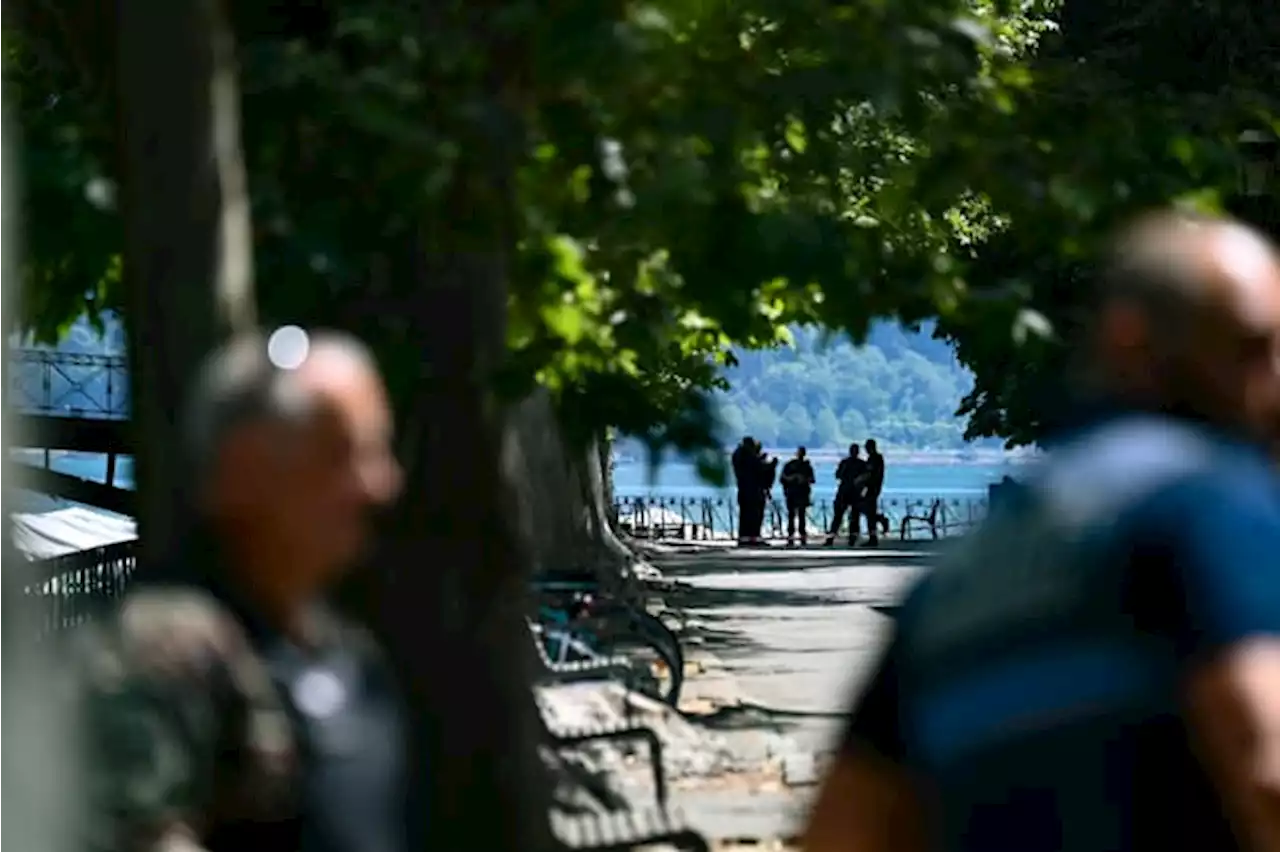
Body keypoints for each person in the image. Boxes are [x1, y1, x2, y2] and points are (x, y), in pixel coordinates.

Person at [804, 211, 1280, 852]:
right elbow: (1266, 766)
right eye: (1250, 347)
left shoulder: (958, 579)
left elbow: (844, 831)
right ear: (1130, 339)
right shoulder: (1200, 502)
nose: (1274, 382)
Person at [76, 329, 406, 852]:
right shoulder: (165, 653)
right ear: (240, 470)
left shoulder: (354, 656)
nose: (380, 484)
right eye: (340, 453)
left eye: (376, 451)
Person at [824, 443, 866, 546]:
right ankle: (846, 537)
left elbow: (838, 475)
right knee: (846, 516)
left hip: (848, 491)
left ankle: (840, 537)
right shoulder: (858, 464)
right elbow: (838, 475)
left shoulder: (847, 463)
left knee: (847, 516)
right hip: (850, 492)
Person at [781, 446, 816, 546]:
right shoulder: (790, 465)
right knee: (791, 515)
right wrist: (792, 478)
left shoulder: (807, 466)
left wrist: (804, 479)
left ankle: (802, 536)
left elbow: (812, 479)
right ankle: (790, 536)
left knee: (801, 515)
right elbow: (783, 478)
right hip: (792, 492)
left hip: (802, 493)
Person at [732, 436, 761, 545]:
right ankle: (751, 537)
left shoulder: (738, 454)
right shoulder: (746, 456)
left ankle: (745, 536)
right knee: (752, 514)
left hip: (743, 488)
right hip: (750, 489)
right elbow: (757, 468)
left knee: (745, 514)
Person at [859, 438, 885, 547]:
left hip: (872, 488)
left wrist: (860, 480)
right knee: (867, 511)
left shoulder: (875, 458)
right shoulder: (876, 458)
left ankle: (874, 535)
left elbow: (869, 473)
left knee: (869, 512)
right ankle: (873, 534)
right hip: (873, 487)